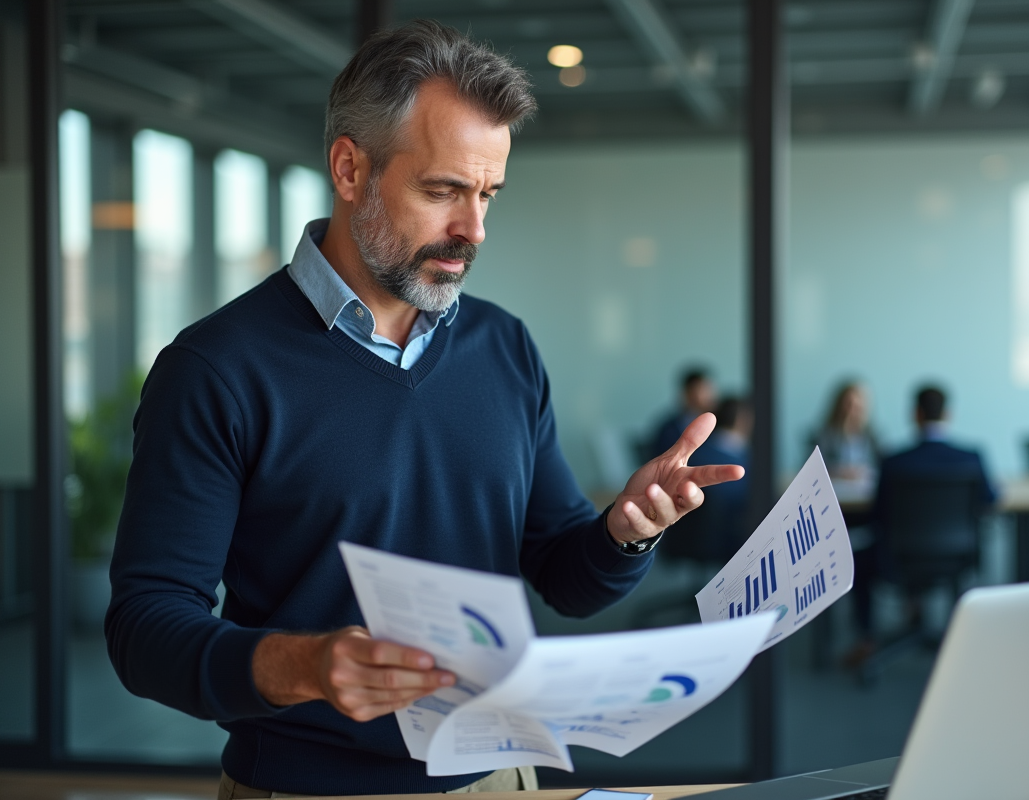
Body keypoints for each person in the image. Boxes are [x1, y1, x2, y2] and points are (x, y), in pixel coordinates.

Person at [106, 22, 744, 799]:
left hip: (501, 777)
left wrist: (622, 534)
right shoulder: (217, 369)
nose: (472, 230)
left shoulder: (504, 347)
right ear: (349, 168)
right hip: (310, 789)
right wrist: (303, 664)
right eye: (442, 191)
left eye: (488, 195)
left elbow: (564, 578)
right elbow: (144, 630)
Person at [846, 386, 995, 665]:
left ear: (915, 414)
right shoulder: (971, 457)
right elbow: (989, 500)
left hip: (897, 557)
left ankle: (865, 639)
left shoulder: (893, 461)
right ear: (948, 415)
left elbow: (879, 514)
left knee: (857, 560)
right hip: (957, 557)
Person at [677, 396, 753, 561]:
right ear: (742, 420)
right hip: (729, 543)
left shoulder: (694, 454)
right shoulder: (744, 466)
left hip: (687, 539)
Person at [810, 381, 879, 481]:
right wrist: (840, 472)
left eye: (857, 406)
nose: (852, 411)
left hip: (863, 493)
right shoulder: (824, 435)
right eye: (848, 405)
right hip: (833, 488)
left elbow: (879, 466)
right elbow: (813, 469)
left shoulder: (872, 436)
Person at [650, 367, 718, 458]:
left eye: (710, 389)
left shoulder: (721, 425)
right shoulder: (669, 430)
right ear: (687, 393)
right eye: (703, 390)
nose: (710, 395)